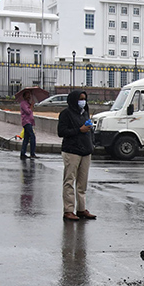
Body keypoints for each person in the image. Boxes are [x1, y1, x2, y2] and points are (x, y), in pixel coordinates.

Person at [58, 90, 96, 221]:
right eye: (80, 99)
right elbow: (61, 131)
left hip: (85, 150)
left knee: (82, 183)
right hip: (72, 151)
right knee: (69, 181)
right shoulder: (66, 114)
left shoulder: (84, 113)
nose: (83, 101)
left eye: (84, 99)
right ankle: (68, 209)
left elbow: (87, 131)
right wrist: (79, 130)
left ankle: (81, 208)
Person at [19, 89, 37, 160]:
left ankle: (23, 153)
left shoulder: (27, 103)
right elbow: (28, 112)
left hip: (30, 122)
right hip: (26, 122)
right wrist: (31, 106)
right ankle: (32, 153)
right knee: (32, 137)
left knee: (26, 138)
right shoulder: (23, 103)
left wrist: (31, 104)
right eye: (27, 95)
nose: (29, 96)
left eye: (29, 94)